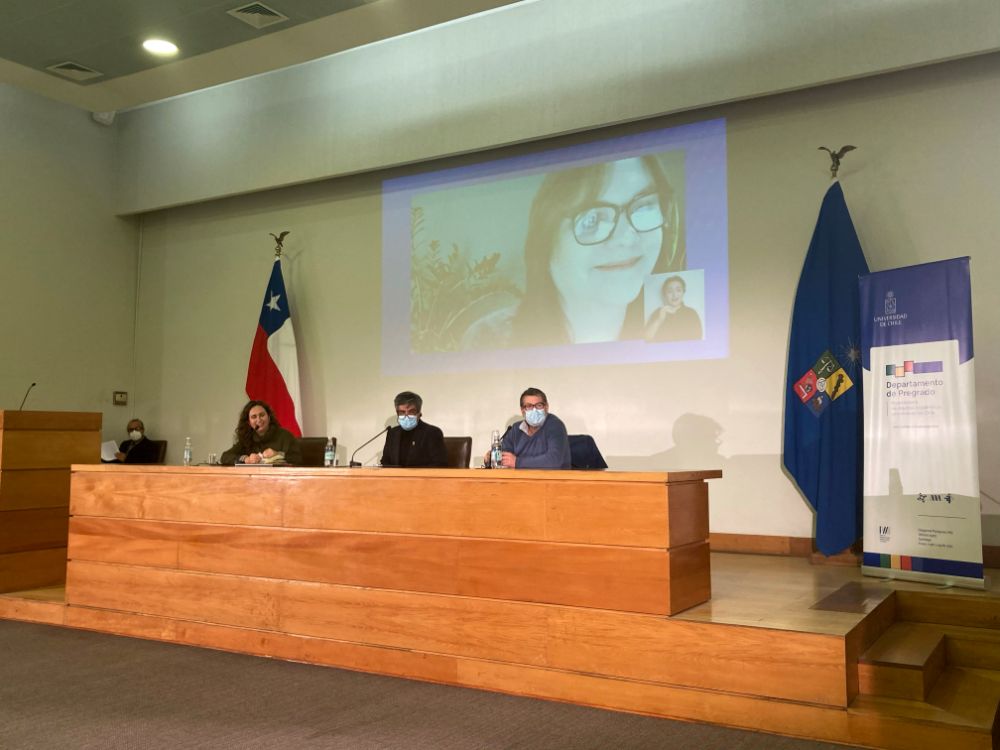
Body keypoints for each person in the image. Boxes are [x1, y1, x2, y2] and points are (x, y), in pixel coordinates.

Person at [464, 154, 683, 349]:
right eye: (592, 219)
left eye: (644, 207)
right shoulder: (490, 339)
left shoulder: (680, 330)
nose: (626, 238)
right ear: (546, 241)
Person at [489, 387, 571, 469]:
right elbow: (504, 457)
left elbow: (553, 461)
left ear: (546, 407)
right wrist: (492, 458)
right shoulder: (515, 429)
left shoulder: (555, 426)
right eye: (529, 406)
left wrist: (517, 462)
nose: (534, 410)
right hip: (521, 479)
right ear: (522, 410)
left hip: (553, 480)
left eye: (539, 405)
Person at [220, 400, 303, 465]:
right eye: (254, 417)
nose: (259, 420)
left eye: (262, 415)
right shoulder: (247, 438)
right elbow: (225, 457)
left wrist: (278, 454)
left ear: (269, 417)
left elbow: (298, 459)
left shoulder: (285, 436)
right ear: (249, 422)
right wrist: (246, 459)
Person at [380, 391, 448, 467]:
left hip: (422, 478)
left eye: (411, 412)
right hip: (395, 478)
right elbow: (385, 461)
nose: (406, 416)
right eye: (402, 412)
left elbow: (440, 464)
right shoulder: (393, 433)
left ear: (419, 413)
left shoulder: (432, 433)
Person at [645, 274, 703, 342]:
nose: (674, 295)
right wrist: (659, 320)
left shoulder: (691, 313)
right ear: (665, 295)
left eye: (678, 290)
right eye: (670, 291)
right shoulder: (658, 312)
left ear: (683, 292)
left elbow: (698, 339)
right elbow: (646, 339)